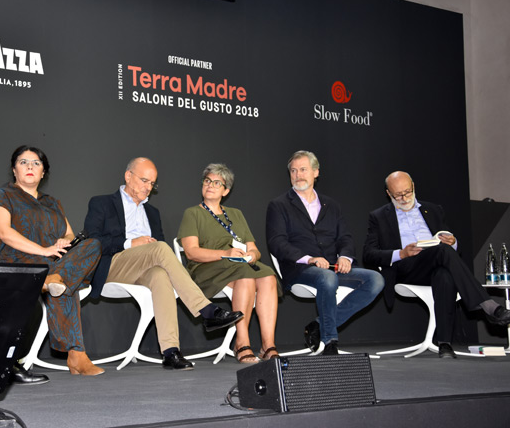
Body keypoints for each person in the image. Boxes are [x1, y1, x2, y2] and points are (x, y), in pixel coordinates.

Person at [83, 157, 244, 370]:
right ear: (128, 176)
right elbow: (92, 242)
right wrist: (129, 243)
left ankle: (170, 352)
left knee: (160, 275)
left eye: (152, 183)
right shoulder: (102, 203)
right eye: (144, 181)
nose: (148, 187)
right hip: (113, 264)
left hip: (143, 268)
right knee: (160, 248)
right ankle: (206, 310)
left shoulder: (152, 213)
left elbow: (159, 253)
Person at [363, 171, 510, 358]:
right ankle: (488, 306)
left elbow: (448, 241)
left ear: (413, 187)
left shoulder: (433, 210)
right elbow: (369, 254)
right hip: (406, 268)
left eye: (407, 192)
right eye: (398, 195)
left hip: (435, 262)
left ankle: (444, 344)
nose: (404, 198)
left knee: (444, 275)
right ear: (388, 193)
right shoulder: (379, 216)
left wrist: (453, 242)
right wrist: (401, 253)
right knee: (442, 251)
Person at [0, 145, 104, 376]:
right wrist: (43, 249)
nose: (30, 166)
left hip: (55, 263)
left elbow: (69, 234)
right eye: (23, 162)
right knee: (65, 286)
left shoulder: (52, 202)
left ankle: (52, 280)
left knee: (93, 244)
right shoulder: (2, 195)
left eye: (36, 163)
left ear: (43, 173)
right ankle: (76, 355)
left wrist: (63, 242)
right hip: (18, 261)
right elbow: (3, 233)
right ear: (14, 170)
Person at [266, 150, 384, 355]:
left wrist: (345, 257)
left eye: (303, 169)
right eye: (293, 171)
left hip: (332, 267)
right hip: (299, 269)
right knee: (327, 278)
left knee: (375, 280)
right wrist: (309, 259)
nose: (298, 175)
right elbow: (276, 242)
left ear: (316, 172)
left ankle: (319, 325)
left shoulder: (332, 205)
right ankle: (329, 341)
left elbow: (345, 237)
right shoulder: (279, 205)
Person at [178, 163, 282, 363]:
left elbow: (254, 249)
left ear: (226, 191)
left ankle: (268, 345)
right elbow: (191, 252)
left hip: (239, 265)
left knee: (268, 276)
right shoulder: (193, 213)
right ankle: (242, 342)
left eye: (217, 183)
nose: (210, 185)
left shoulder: (236, 214)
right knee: (246, 277)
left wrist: (251, 255)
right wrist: (225, 254)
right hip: (207, 268)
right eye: (207, 181)